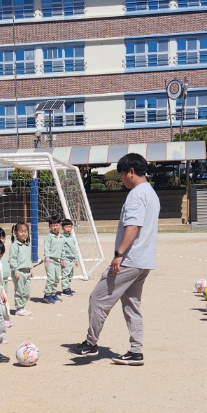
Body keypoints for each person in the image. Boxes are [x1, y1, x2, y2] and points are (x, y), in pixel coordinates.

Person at [74, 152, 160, 366]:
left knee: (98, 298)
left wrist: (119, 254)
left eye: (122, 175)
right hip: (144, 261)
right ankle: (136, 351)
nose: (121, 179)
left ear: (131, 172)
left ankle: (91, 343)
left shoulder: (136, 194)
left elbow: (133, 226)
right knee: (132, 304)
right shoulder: (151, 193)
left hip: (130, 259)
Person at [10, 221, 33, 315]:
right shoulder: (14, 246)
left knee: (27, 291)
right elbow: (12, 259)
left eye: (25, 231)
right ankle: (19, 308)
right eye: (21, 231)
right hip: (18, 271)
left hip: (26, 272)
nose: (23, 233)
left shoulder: (26, 245)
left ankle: (22, 306)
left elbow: (28, 259)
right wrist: (15, 270)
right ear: (16, 233)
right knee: (19, 290)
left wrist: (30, 269)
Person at [43, 217, 64, 303]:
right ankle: (47, 294)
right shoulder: (49, 237)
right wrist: (47, 258)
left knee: (56, 278)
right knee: (51, 278)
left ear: (59, 225)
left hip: (57, 261)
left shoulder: (61, 237)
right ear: (49, 227)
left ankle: (53, 294)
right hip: (50, 260)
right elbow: (46, 248)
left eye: (56, 225)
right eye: (53, 226)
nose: (55, 227)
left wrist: (62, 259)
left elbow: (62, 249)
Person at [59, 218, 78, 295]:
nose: (68, 229)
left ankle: (68, 287)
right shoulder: (62, 238)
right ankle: (64, 289)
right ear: (62, 228)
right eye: (66, 227)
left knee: (70, 274)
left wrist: (76, 259)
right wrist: (62, 259)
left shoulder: (72, 237)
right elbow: (61, 249)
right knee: (65, 274)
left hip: (71, 259)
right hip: (66, 259)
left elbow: (74, 248)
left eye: (70, 227)